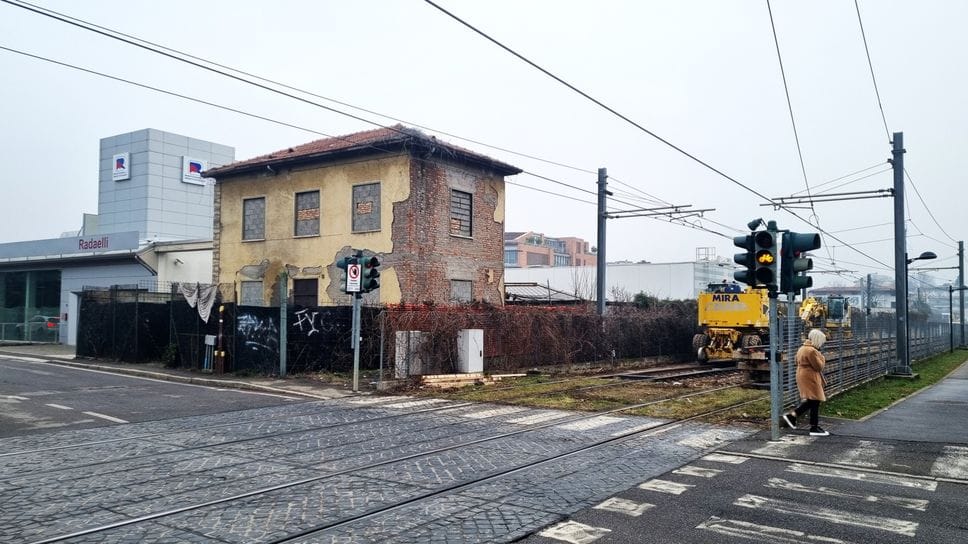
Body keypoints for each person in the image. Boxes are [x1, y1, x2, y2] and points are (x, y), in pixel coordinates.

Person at [782, 329, 830, 436]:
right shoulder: (812, 351)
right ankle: (813, 427)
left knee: (812, 400)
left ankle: (793, 416)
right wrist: (822, 357)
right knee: (815, 400)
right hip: (810, 376)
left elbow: (795, 361)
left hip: (802, 374)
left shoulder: (802, 348)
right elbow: (819, 366)